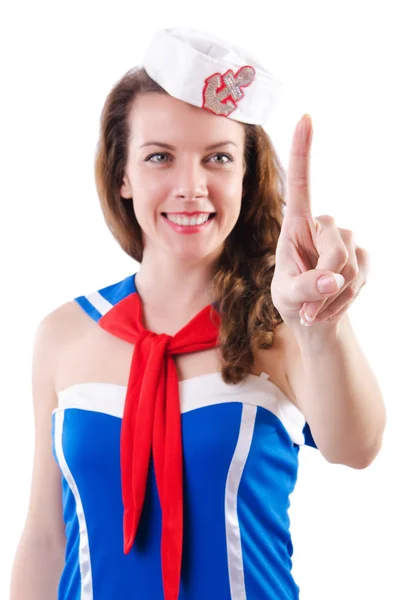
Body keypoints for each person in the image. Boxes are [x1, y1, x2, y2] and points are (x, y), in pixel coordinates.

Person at [10, 26, 320, 600]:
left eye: (218, 158)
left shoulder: (280, 326)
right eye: (160, 157)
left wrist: (324, 321)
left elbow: (361, 446)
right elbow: (45, 538)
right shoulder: (62, 334)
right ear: (123, 175)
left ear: (246, 178)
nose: (190, 186)